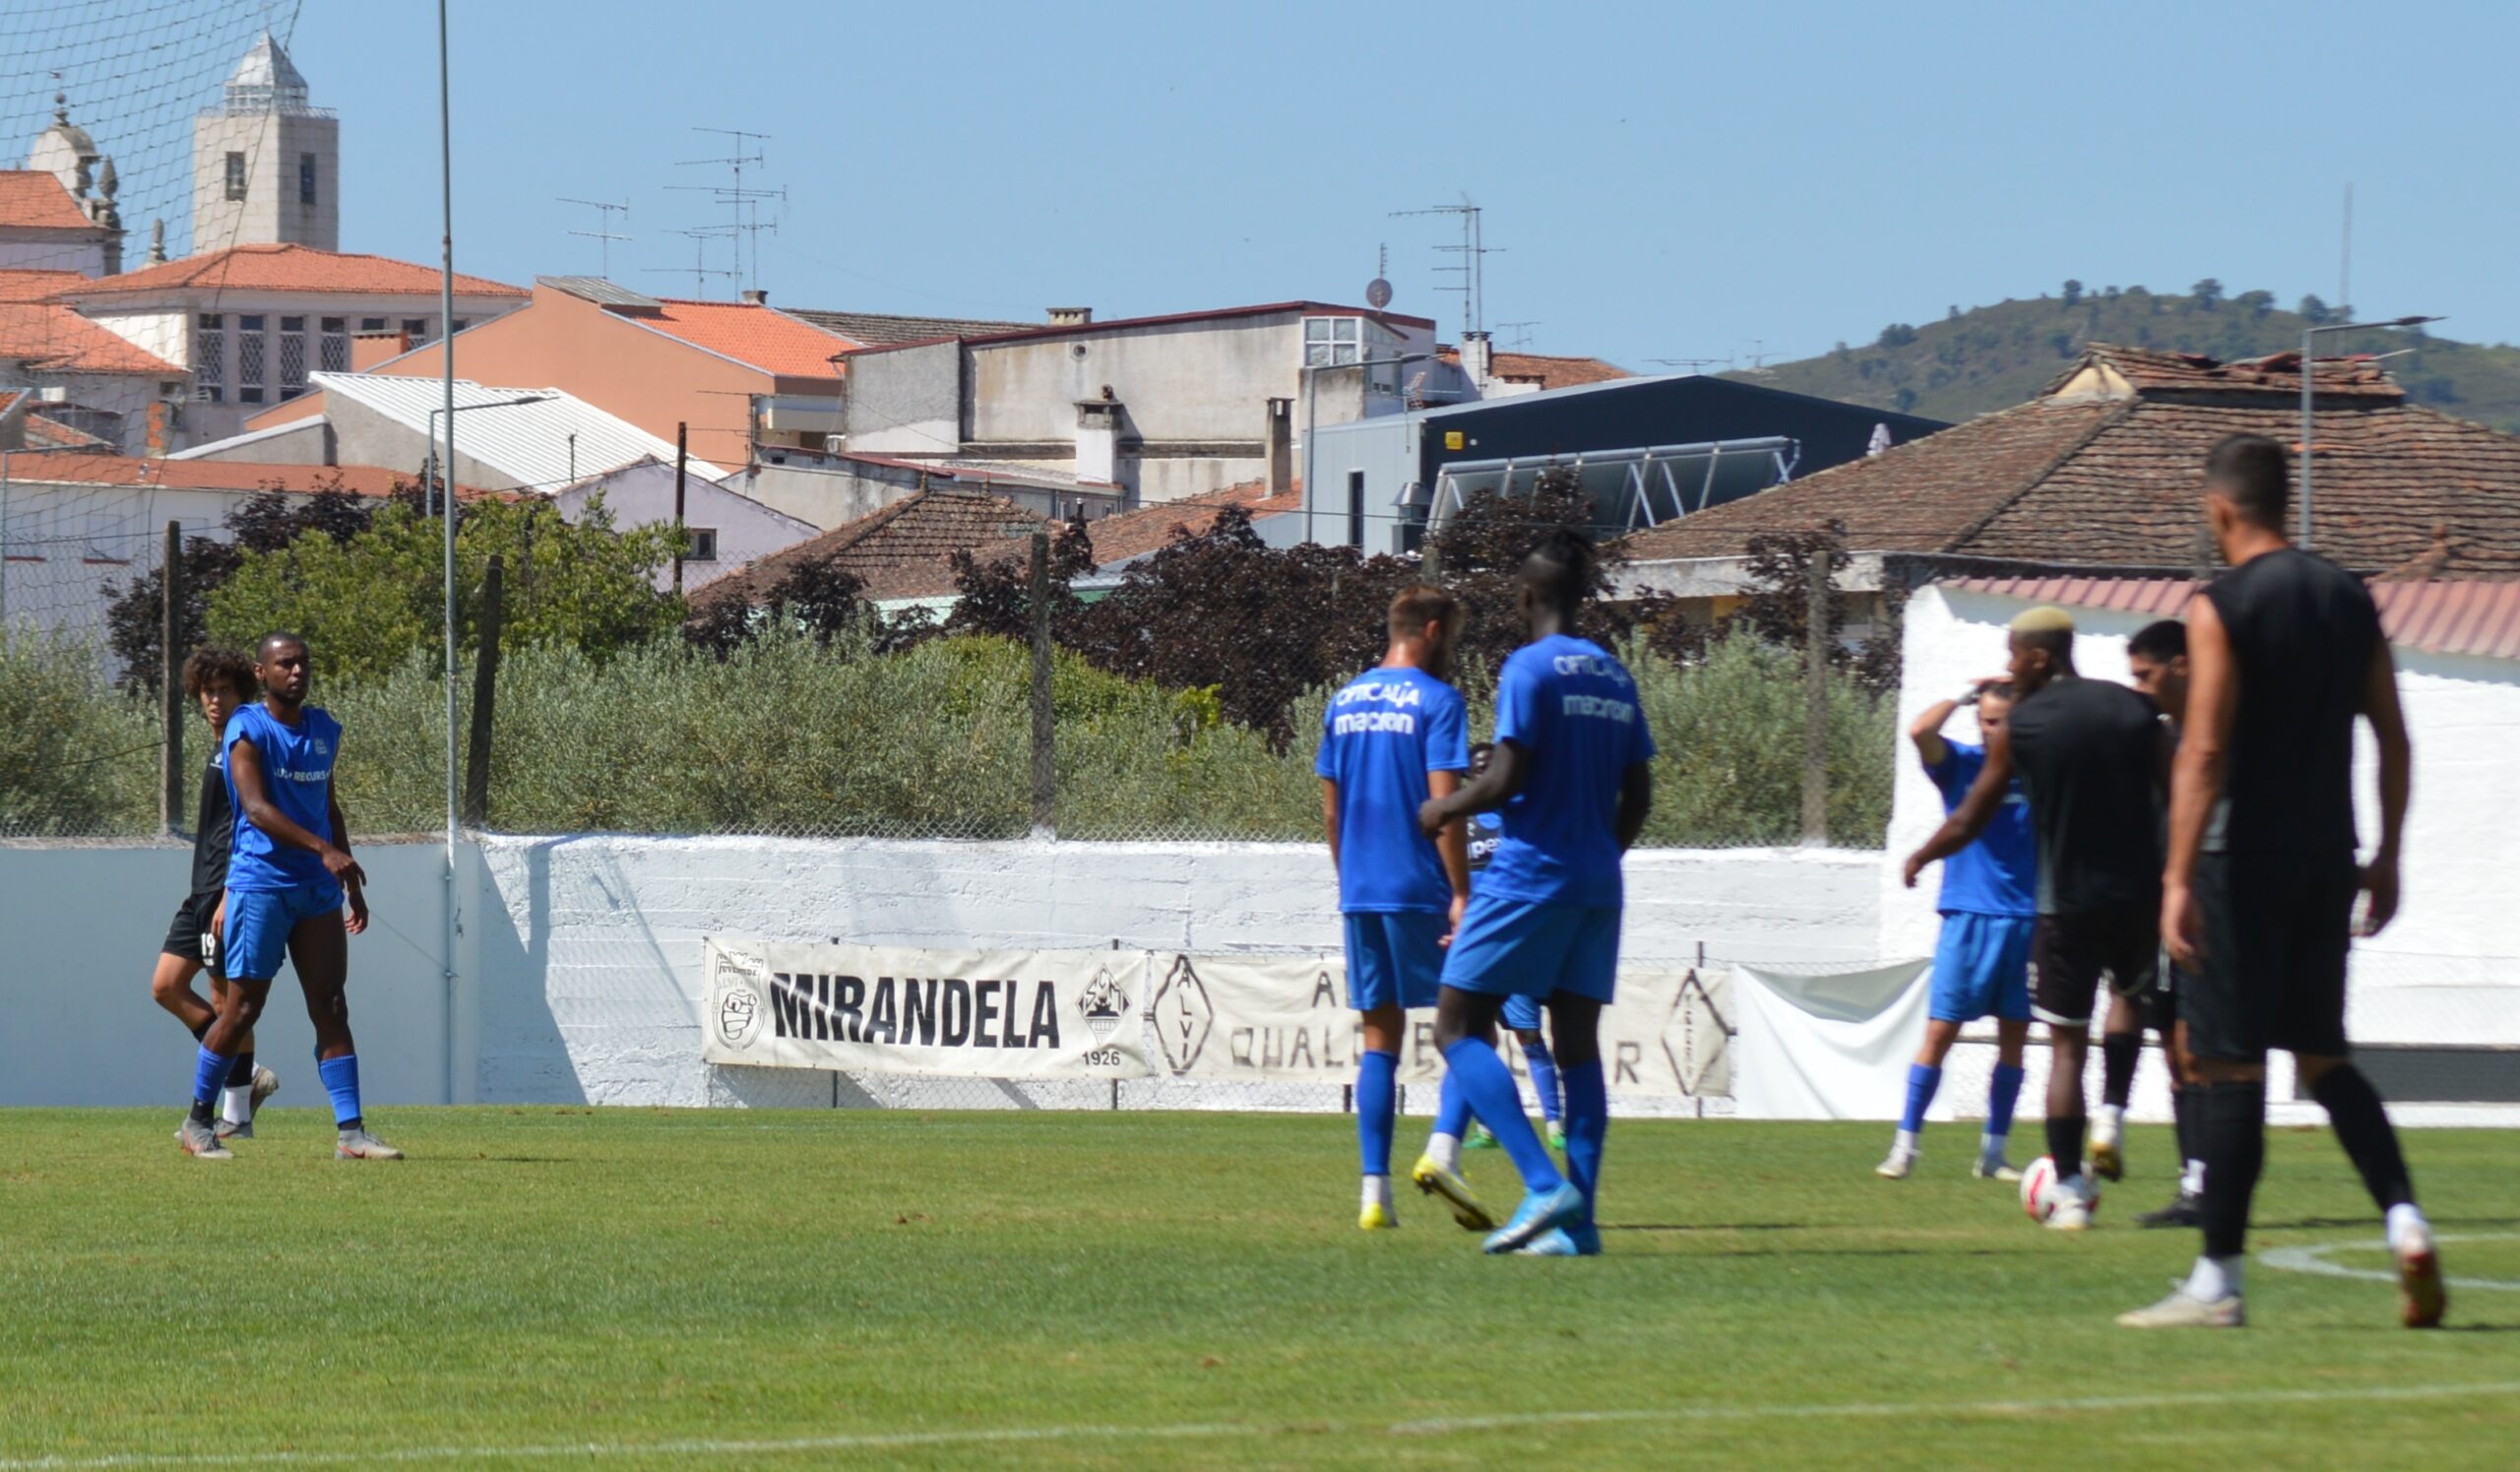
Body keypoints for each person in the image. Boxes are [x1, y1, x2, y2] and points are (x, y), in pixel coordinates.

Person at [2119, 433, 2441, 1330]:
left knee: (2226, 1064)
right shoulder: (2350, 597)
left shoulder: (2219, 605)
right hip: (2326, 857)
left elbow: (2207, 747)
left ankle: (2217, 1280)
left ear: (2219, 507)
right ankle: (2406, 1220)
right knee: (2324, 1057)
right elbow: (2394, 735)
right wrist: (2386, 856)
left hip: (2236, 860)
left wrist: (2176, 876)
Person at [1415, 531, 1655, 1256]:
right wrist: (1599, 854)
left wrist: (1445, 807)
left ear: (1525, 595)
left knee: (1456, 1023)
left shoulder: (1529, 668)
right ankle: (1579, 1227)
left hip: (1529, 873)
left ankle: (1542, 1184)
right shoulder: (1615, 676)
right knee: (1577, 1043)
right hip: (1597, 880)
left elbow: (1507, 776)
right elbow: (1639, 793)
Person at [1903, 606, 2165, 1231]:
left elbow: (1971, 817)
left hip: (2063, 903)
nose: (2010, 666)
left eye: (2014, 654)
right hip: (2137, 895)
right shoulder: (2131, 708)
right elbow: (2176, 792)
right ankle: (2112, 1114)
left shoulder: (2025, 724)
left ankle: (2070, 1194)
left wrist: (1923, 853)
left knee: (2068, 1044)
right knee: (2128, 999)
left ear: (2039, 656)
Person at [177, 632, 399, 1162]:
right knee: (243, 1009)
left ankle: (352, 1134)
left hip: (316, 891)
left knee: (331, 1005)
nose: (295, 671)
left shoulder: (324, 729)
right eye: (284, 664)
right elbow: (254, 809)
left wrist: (348, 879)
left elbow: (328, 804)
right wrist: (325, 851)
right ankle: (197, 1122)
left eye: (302, 663)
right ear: (262, 672)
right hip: (262, 886)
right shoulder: (246, 728)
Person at [1316, 586, 1470, 1230]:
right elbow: (1446, 808)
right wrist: (1460, 890)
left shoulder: (1342, 700)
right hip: (1423, 888)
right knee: (1471, 1024)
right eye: (1452, 639)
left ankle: (1374, 1195)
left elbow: (1330, 810)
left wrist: (1349, 877)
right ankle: (1443, 1151)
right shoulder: (1439, 701)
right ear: (1432, 630)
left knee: (1380, 1040)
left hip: (1362, 888)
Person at [1875, 675, 2033, 1184]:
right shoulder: (1962, 765)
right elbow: (1920, 730)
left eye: (2004, 721)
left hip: (2027, 919)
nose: (1994, 730)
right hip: (1967, 917)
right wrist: (1965, 694)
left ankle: (1994, 1152)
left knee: (2014, 1039)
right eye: (1986, 721)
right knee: (1940, 1033)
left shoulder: (2039, 770)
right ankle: (1905, 1146)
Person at [149, 649, 280, 1140]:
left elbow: (250, 826)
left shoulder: (246, 743)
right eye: (208, 691)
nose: (215, 700)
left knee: (228, 1001)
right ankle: (245, 1077)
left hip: (226, 889)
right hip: (199, 890)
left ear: (242, 692)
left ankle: (237, 1114)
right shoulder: (219, 745)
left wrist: (231, 894)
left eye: (225, 690)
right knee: (165, 986)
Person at [2115, 619, 2206, 1228]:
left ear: (2180, 664)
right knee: (2175, 1051)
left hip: (2201, 910)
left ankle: (2208, 1186)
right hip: (2157, 909)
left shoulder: (2207, 736)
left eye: (2144, 675)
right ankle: (2196, 1183)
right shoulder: (2155, 738)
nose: (2139, 690)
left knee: (2196, 1052)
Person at [1455, 741, 1566, 1157]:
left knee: (1529, 1036)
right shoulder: (1461, 822)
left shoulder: (1516, 818)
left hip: (1515, 941)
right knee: (1476, 1041)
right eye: (1478, 768)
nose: (1485, 773)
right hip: (1474, 945)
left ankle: (1555, 1124)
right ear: (1468, 775)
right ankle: (1488, 1127)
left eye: (1491, 767)